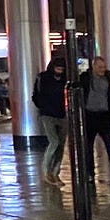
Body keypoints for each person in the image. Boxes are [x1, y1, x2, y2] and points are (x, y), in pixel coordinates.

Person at [76, 54, 110, 188]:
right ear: (94, 67)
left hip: (103, 116)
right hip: (89, 115)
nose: (102, 69)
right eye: (100, 67)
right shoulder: (86, 78)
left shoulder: (108, 79)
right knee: (88, 146)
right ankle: (90, 173)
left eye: (104, 67)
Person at [32, 54, 69, 186]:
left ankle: (55, 173)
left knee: (60, 145)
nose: (60, 71)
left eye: (62, 69)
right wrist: (43, 107)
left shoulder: (65, 79)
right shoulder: (43, 78)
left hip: (61, 114)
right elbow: (36, 96)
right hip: (47, 114)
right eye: (58, 69)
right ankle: (47, 171)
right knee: (54, 142)